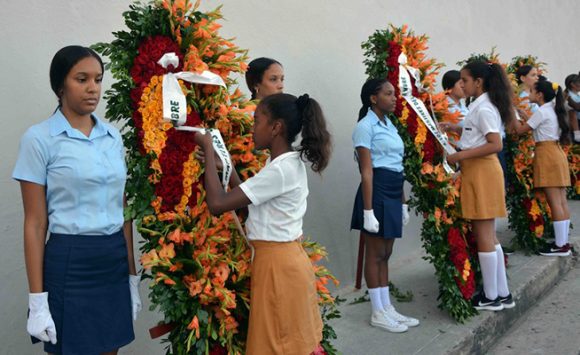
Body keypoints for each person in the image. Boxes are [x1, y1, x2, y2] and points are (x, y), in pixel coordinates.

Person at [12, 45, 141, 355]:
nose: (92, 88)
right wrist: (37, 298)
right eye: (81, 79)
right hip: (70, 263)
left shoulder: (112, 137)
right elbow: (35, 222)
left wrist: (131, 276)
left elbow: (123, 209)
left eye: (97, 79)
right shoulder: (40, 139)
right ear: (60, 86)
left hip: (111, 259)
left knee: (110, 349)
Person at [194, 93, 331, 354]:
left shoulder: (281, 170)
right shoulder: (282, 163)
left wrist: (209, 148)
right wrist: (224, 166)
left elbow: (218, 203)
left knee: (276, 345)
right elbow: (250, 198)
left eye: (257, 121)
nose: (252, 128)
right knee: (285, 341)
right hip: (284, 262)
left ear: (276, 127)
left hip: (279, 268)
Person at [440, 61, 515, 311]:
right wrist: (455, 127)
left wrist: (459, 156)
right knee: (489, 236)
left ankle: (491, 296)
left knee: (483, 234)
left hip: (482, 170)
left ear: (478, 82)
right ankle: (502, 293)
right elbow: (477, 132)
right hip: (481, 170)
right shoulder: (480, 105)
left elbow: (495, 143)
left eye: (464, 80)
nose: (461, 84)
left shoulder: (484, 107)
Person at [350, 78, 418, 332]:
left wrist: (403, 203)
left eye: (395, 93)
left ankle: (387, 306)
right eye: (388, 93)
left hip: (392, 190)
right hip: (376, 191)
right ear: (373, 98)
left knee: (386, 253)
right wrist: (368, 211)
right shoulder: (365, 127)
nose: (394, 97)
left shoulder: (389, 125)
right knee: (375, 253)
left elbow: (396, 166)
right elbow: (366, 171)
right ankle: (377, 311)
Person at [509, 79, 572, 256]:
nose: (528, 95)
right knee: (561, 200)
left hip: (546, 155)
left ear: (540, 95)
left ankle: (561, 246)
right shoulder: (551, 109)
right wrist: (522, 113)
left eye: (531, 92)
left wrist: (512, 115)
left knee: (554, 202)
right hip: (556, 153)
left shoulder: (542, 111)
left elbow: (520, 131)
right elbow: (536, 124)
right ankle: (564, 241)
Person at [564, 73, 580, 143]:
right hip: (575, 127)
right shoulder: (569, 95)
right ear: (572, 84)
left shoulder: (575, 95)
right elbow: (574, 110)